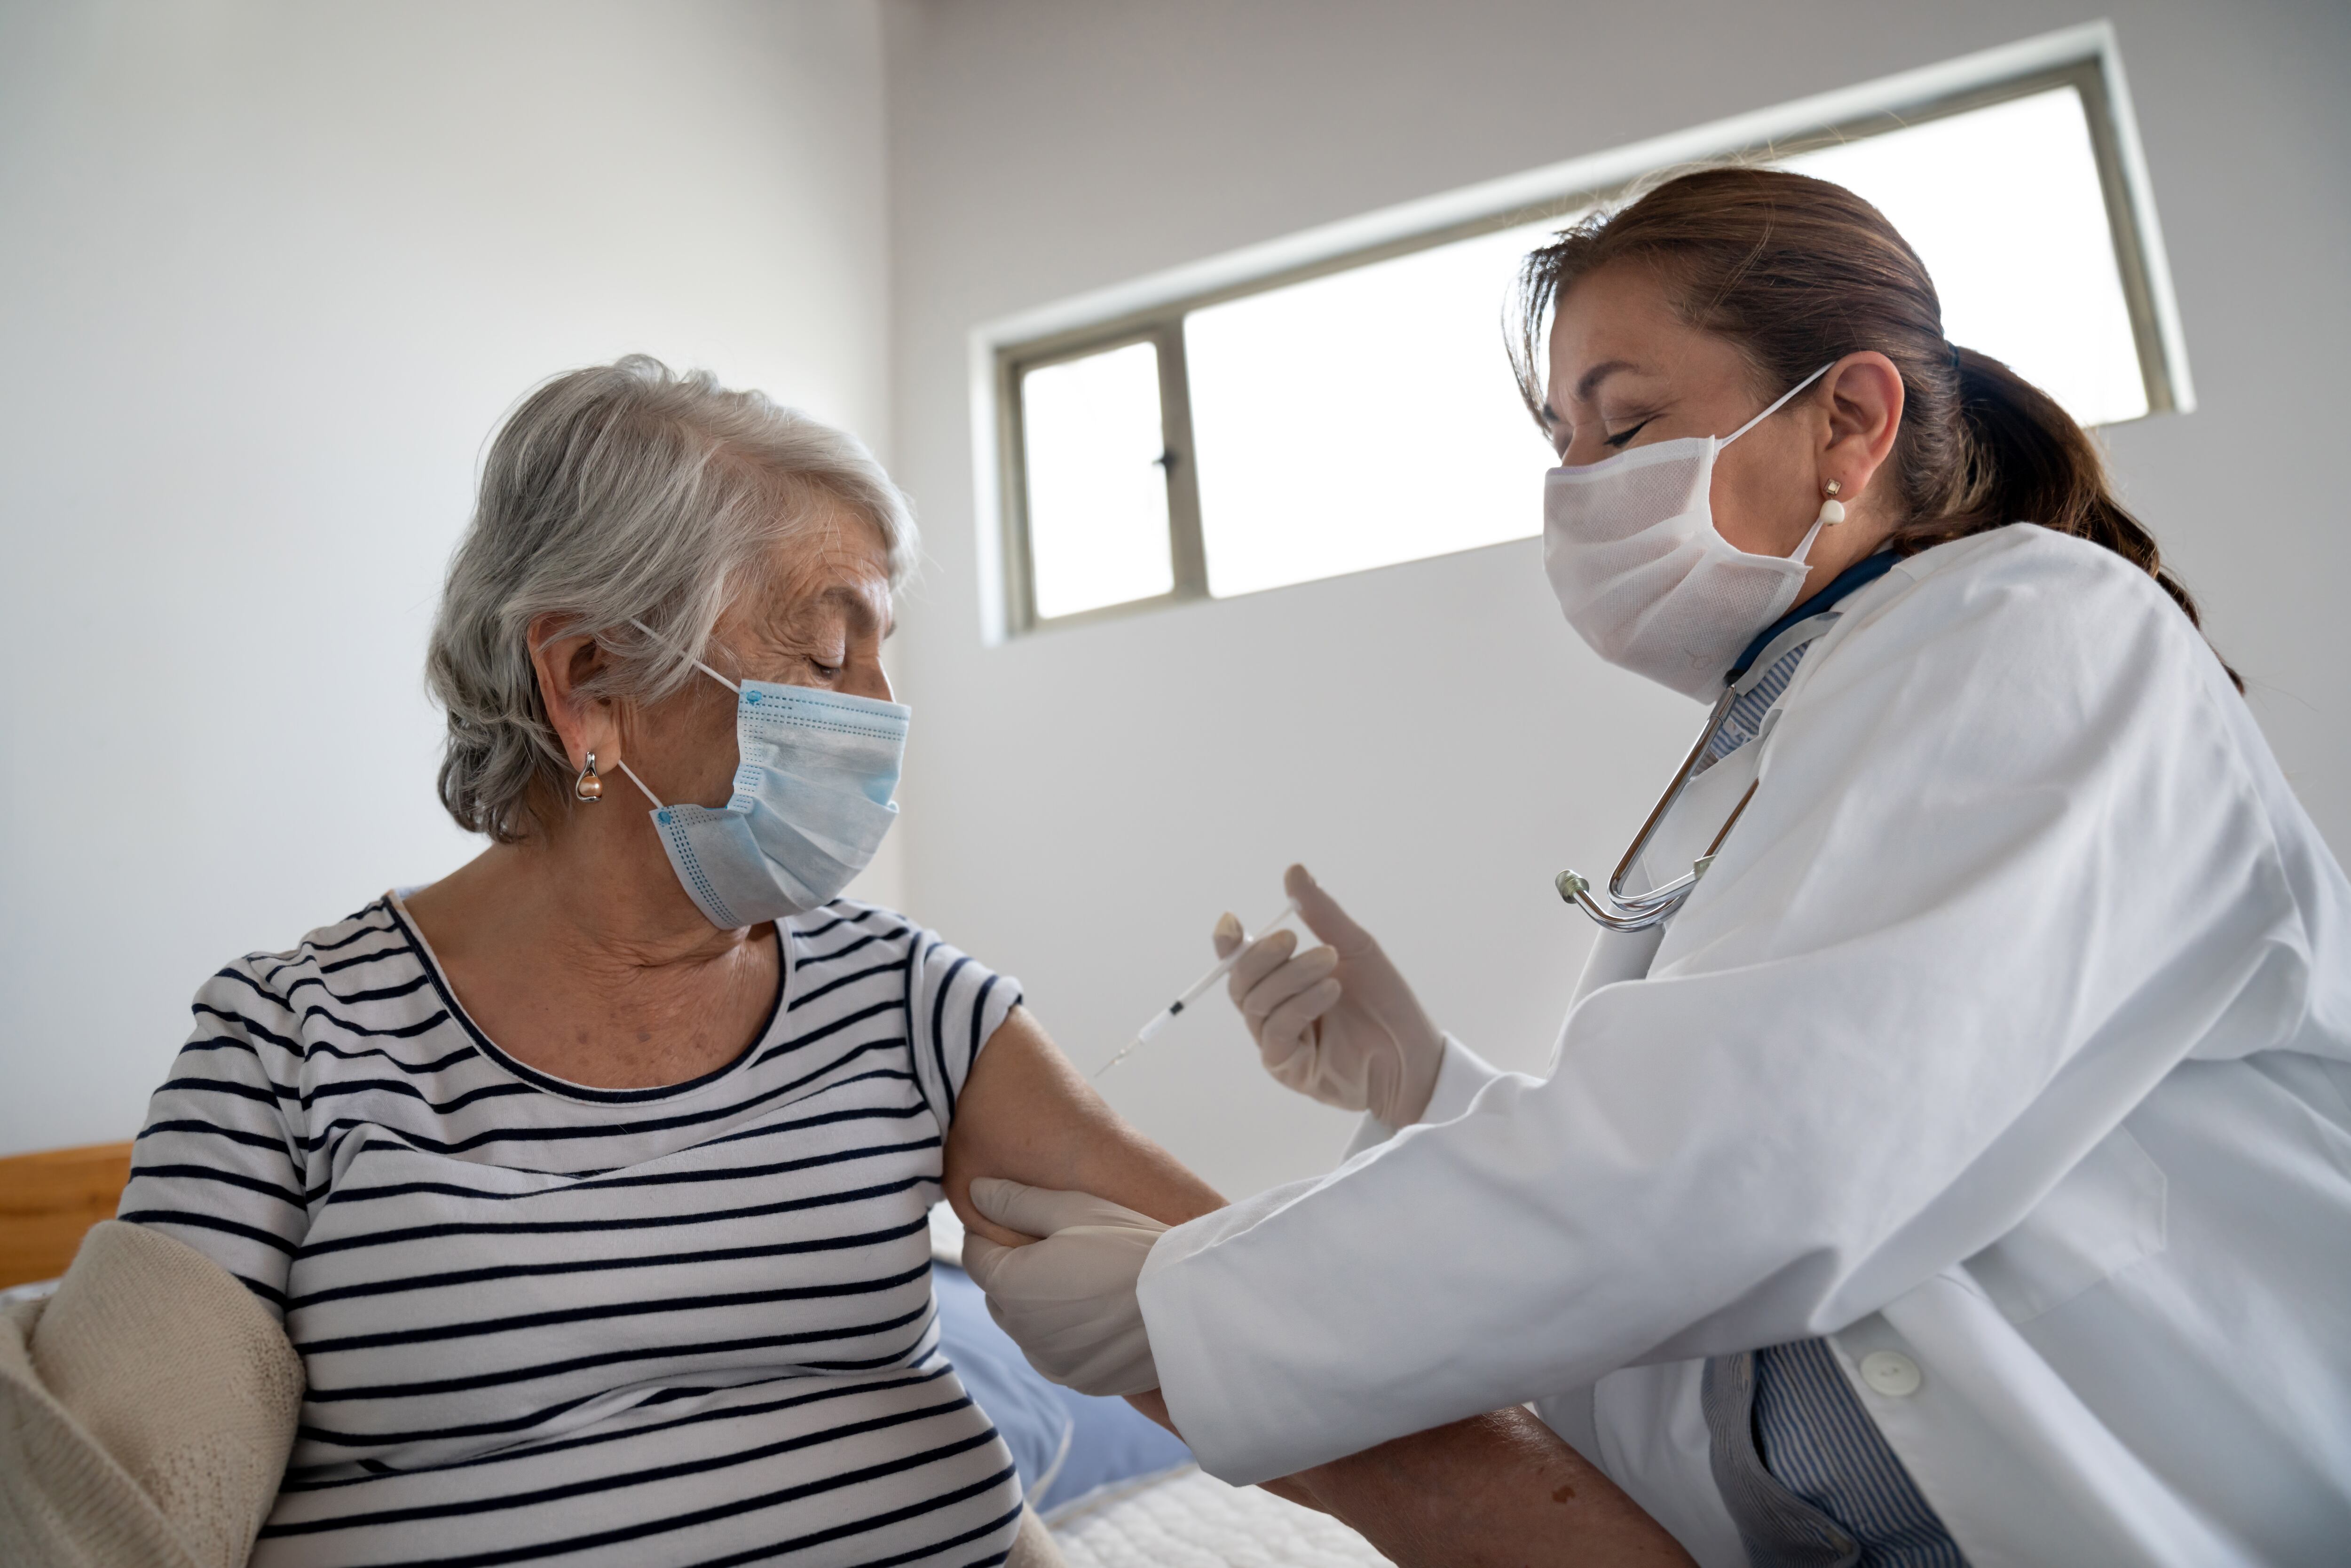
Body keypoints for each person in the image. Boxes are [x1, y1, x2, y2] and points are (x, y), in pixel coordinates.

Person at [6, 356, 1688, 1568]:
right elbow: (115, 1499)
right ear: (589, 680)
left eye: (885, 652)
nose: (883, 716)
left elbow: (1298, 1349)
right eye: (827, 651)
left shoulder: (906, 1001)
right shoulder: (290, 1044)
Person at [961, 168, 2351, 1567]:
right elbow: (1696, 1262)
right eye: (1561, 443)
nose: (1576, 490)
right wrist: (1426, 1089)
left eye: (1624, 424)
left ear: (1849, 421)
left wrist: (1195, 1306)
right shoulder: (1778, 740)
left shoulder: (2037, 630)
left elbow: (1767, 1150)